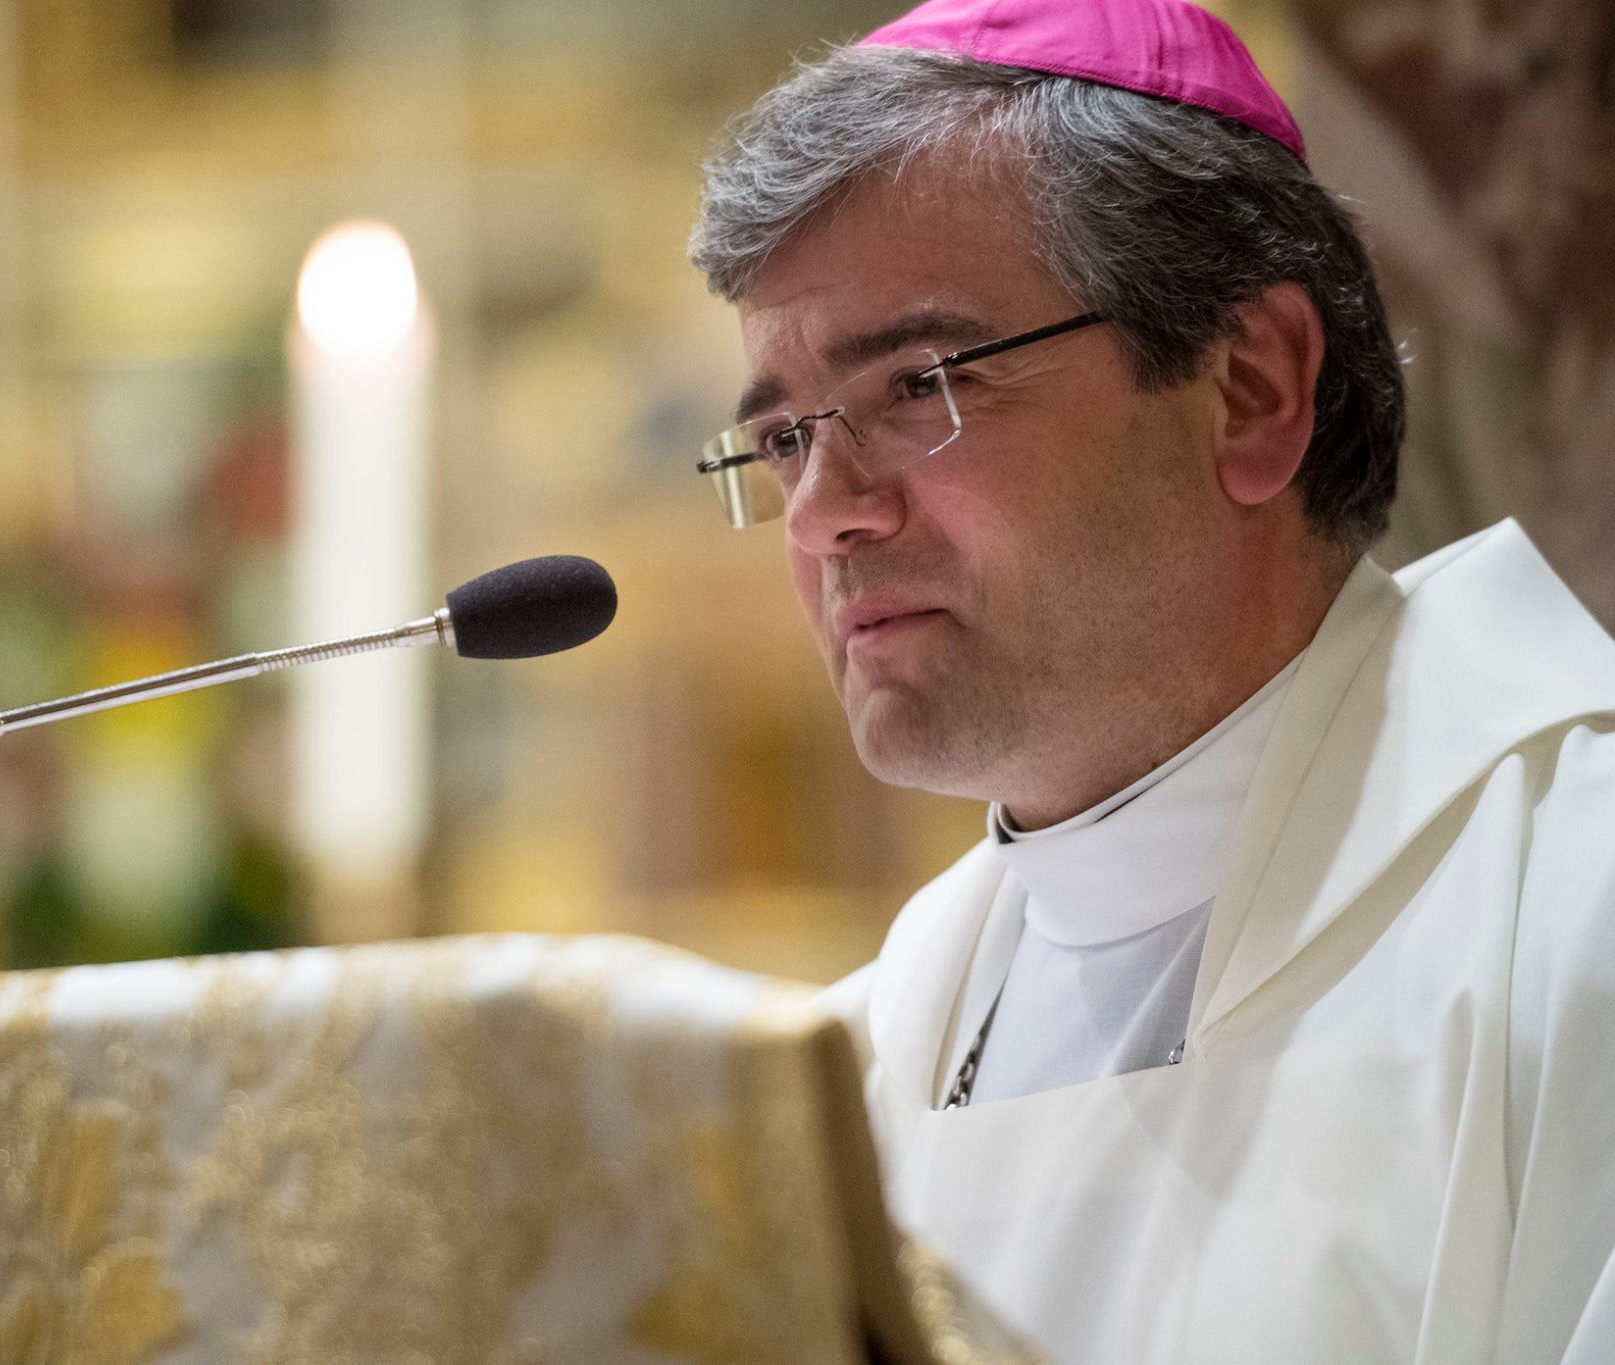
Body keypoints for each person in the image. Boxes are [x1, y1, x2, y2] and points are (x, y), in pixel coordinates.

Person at [685, 0, 1615, 1360]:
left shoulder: (1574, 899)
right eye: (780, 437)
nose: (825, 510)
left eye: (921, 382)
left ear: (1249, 387)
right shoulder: (871, 1044)